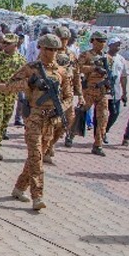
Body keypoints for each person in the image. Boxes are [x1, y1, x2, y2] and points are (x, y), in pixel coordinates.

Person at [0, 33, 65, 211]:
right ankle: (38, 196)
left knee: (37, 157)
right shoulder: (31, 68)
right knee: (36, 157)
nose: (51, 53)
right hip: (34, 117)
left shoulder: (61, 71)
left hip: (51, 119)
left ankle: (19, 188)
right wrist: (30, 83)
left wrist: (61, 111)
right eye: (48, 49)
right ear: (40, 48)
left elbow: (67, 96)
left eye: (55, 50)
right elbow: (9, 85)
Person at [0, 33, 26, 163]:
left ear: (15, 45)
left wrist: (14, 87)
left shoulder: (20, 60)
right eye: (3, 43)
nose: (4, 45)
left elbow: (24, 78)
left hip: (11, 95)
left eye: (8, 43)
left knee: (5, 120)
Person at [47, 26, 82, 158]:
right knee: (52, 121)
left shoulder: (72, 55)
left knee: (68, 120)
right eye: (62, 38)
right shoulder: (49, 53)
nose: (64, 41)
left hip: (68, 93)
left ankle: (52, 143)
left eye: (66, 39)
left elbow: (77, 74)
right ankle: (47, 146)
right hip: (53, 93)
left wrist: (80, 94)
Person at [76, 31, 113, 156]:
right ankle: (71, 134)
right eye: (99, 41)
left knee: (103, 117)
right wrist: (93, 68)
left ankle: (98, 144)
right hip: (89, 90)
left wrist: (109, 82)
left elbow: (110, 73)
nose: (102, 44)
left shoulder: (107, 58)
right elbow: (78, 68)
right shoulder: (86, 55)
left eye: (104, 41)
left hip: (102, 91)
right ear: (93, 41)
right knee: (81, 113)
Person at [104, 37, 128, 142]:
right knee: (101, 113)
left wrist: (125, 92)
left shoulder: (121, 59)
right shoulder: (103, 57)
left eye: (119, 45)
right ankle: (99, 133)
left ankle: (105, 130)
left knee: (115, 113)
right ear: (110, 45)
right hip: (103, 91)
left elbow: (123, 76)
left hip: (116, 91)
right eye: (115, 45)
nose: (118, 47)